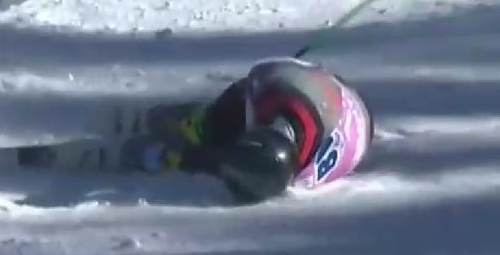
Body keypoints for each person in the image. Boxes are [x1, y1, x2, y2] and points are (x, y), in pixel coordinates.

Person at [121, 56, 374, 203]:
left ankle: (195, 139)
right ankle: (200, 125)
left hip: (351, 118)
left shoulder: (289, 173)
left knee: (232, 155)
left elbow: (250, 166)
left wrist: (179, 157)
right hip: (335, 104)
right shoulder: (277, 92)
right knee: (232, 116)